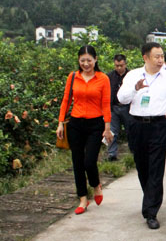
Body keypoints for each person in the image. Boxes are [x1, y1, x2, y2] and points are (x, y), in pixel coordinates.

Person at [117, 42, 166, 230]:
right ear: (145, 57)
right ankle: (150, 198)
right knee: (142, 166)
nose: (161, 60)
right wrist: (135, 89)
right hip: (137, 125)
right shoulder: (133, 75)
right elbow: (121, 99)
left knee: (156, 167)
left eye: (162, 56)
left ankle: (151, 212)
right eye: (157, 56)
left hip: (159, 125)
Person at [56, 45, 113, 215]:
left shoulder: (103, 79)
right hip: (75, 124)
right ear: (78, 61)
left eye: (89, 60)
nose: (86, 64)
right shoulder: (73, 77)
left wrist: (107, 127)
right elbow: (66, 100)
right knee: (78, 162)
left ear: (95, 60)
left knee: (89, 161)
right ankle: (82, 198)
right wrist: (60, 123)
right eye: (83, 60)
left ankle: (95, 185)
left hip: (95, 125)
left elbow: (105, 104)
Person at [106, 54, 131, 161]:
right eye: (117, 65)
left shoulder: (131, 75)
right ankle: (112, 154)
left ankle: (133, 151)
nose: (119, 68)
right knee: (113, 132)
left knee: (130, 130)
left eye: (121, 65)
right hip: (114, 108)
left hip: (128, 108)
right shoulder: (109, 76)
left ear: (125, 64)